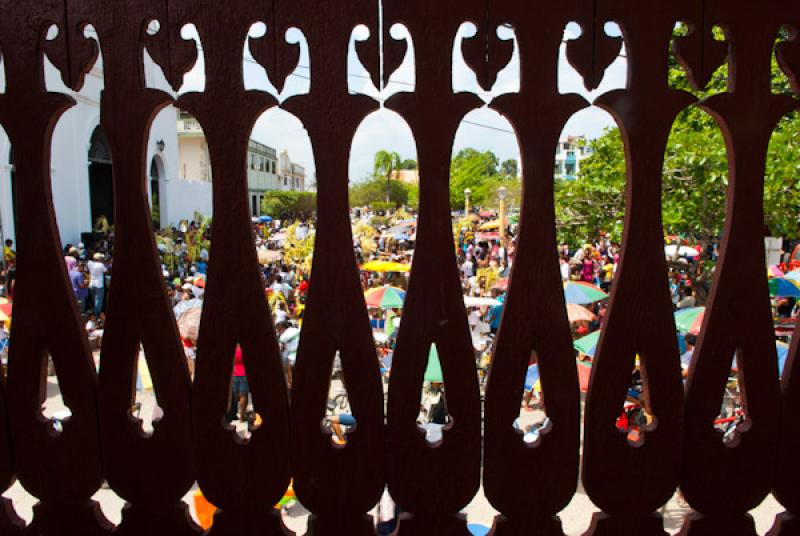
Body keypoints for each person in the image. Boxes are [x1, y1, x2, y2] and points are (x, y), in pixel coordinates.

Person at [226, 345, 250, 423]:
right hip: (243, 373)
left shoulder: (233, 347)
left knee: (236, 395)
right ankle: (242, 415)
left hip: (234, 373)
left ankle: (235, 413)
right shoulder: (243, 347)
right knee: (244, 395)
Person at [276, 321, 300, 387]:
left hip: (292, 356)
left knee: (288, 368)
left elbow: (281, 349)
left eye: (278, 329)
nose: (278, 331)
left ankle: (291, 384)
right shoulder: (296, 329)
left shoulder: (283, 337)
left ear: (281, 328)